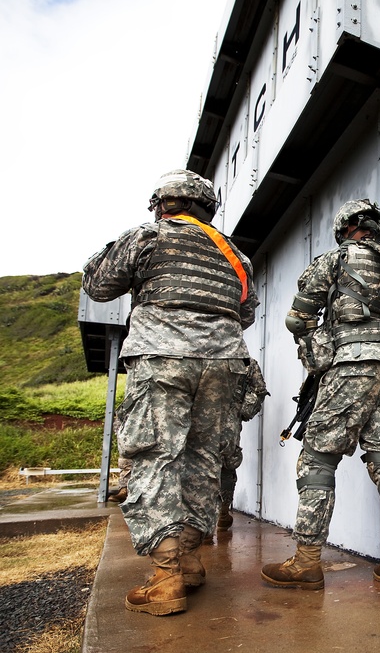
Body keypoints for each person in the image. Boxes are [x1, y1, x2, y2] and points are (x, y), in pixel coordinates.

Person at [82, 169, 258, 615]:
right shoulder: (233, 253)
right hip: (223, 362)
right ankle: (191, 560)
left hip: (162, 357)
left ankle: (164, 578)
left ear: (163, 203)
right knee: (204, 459)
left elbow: (99, 285)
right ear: (207, 207)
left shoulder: (148, 235)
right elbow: (247, 312)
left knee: (154, 457)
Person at [261, 199, 380, 591]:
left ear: (343, 229)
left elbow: (298, 319)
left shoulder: (333, 261)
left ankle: (307, 562)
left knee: (318, 459)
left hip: (350, 369)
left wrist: (318, 356)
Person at [218, 356, 268, 530]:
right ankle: (222, 513)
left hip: (200, 418)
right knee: (227, 464)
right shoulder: (245, 361)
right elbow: (259, 390)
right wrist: (243, 410)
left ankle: (203, 519)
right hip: (229, 419)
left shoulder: (201, 354)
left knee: (200, 462)